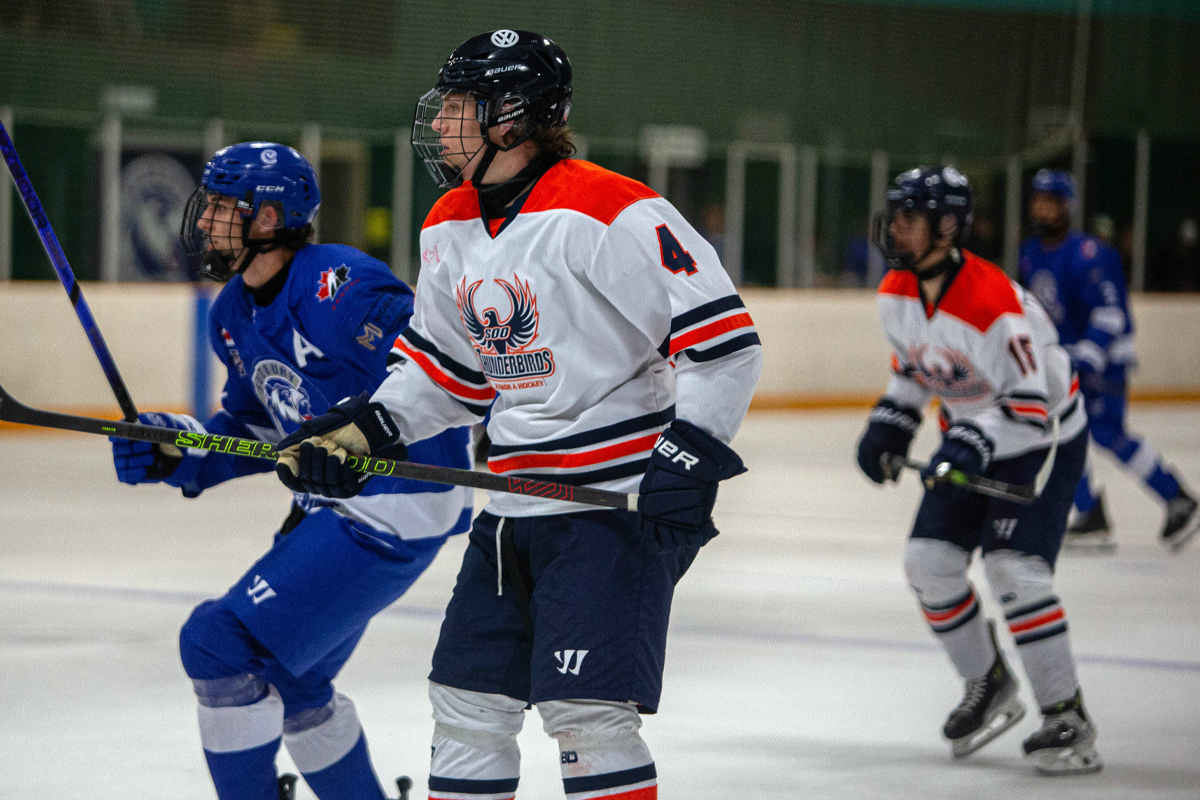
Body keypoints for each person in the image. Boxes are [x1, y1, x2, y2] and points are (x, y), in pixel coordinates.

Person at [273, 30, 762, 800]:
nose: (438, 124)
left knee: (586, 716)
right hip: (509, 507)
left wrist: (691, 452)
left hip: (610, 506)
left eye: (458, 106)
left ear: (511, 116)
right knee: (467, 708)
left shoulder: (612, 210)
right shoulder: (448, 224)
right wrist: (364, 427)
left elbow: (723, 343)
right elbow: (445, 370)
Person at [111, 142, 473, 800]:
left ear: (271, 218)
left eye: (224, 207)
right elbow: (255, 424)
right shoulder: (232, 315)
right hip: (336, 509)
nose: (204, 222)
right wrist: (177, 446)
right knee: (298, 685)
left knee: (217, 642)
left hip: (398, 499)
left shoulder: (344, 287)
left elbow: (442, 371)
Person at [857, 166, 1101, 775]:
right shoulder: (895, 291)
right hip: (976, 438)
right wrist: (891, 423)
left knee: (1012, 568)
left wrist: (967, 440)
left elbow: (1031, 411)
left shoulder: (992, 303)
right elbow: (916, 371)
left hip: (1042, 441)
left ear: (947, 226)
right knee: (927, 563)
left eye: (912, 216)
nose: (898, 227)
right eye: (898, 213)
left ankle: (1066, 713)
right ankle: (987, 681)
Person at [1019, 169, 1198, 552]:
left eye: (1050, 202)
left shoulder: (1090, 253)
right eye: (1037, 200)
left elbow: (1111, 313)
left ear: (1067, 207)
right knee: (1065, 432)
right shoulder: (1031, 254)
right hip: (1065, 362)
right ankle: (1092, 513)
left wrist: (1088, 355)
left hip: (1103, 361)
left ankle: (1175, 497)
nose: (1041, 209)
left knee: (1104, 432)